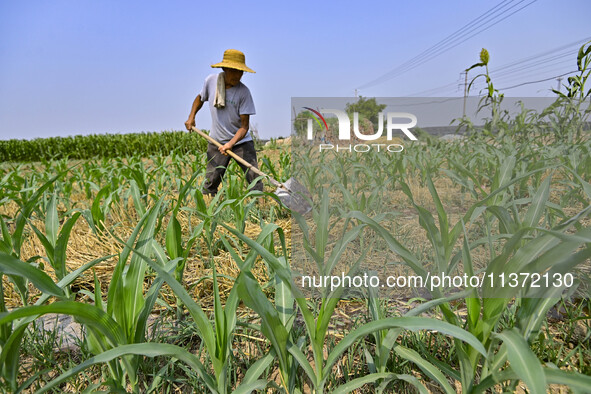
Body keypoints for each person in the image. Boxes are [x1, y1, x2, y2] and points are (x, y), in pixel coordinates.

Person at [185, 49, 263, 196]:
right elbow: (200, 98)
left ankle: (261, 206)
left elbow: (244, 127)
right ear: (225, 69)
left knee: (254, 176)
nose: (238, 75)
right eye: (234, 71)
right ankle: (208, 209)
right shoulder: (211, 82)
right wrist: (191, 117)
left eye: (241, 72)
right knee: (211, 180)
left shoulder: (244, 93)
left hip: (240, 142)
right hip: (216, 140)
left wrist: (230, 144)